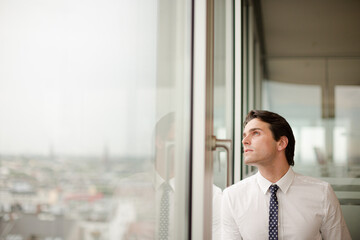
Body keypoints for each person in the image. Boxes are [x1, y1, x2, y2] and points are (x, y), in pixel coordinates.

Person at [221, 110, 351, 240]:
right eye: (244, 135)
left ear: (281, 143)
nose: (244, 141)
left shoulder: (322, 193)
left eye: (255, 133)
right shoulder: (233, 197)